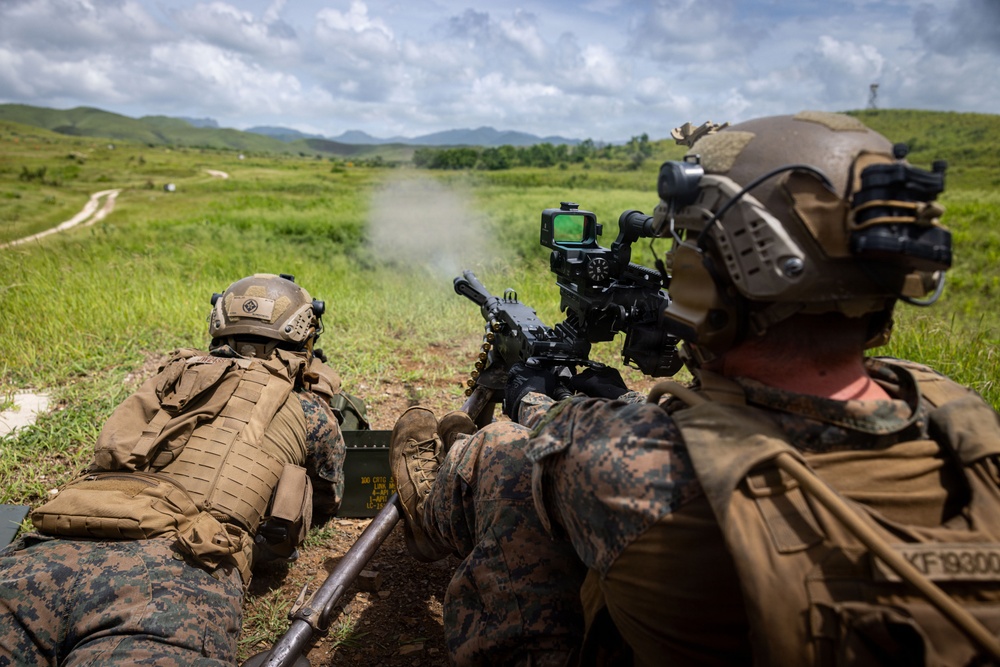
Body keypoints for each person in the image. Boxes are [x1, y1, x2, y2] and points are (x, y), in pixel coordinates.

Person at [389, 112, 1000, 666]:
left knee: (500, 454)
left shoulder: (624, 464)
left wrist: (530, 394)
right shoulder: (961, 420)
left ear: (710, 281)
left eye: (682, 249)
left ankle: (429, 509)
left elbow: (560, 434)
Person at [0, 272, 356, 666]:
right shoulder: (307, 409)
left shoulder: (167, 378)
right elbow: (328, 496)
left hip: (48, 549)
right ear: (304, 337)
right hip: (173, 571)